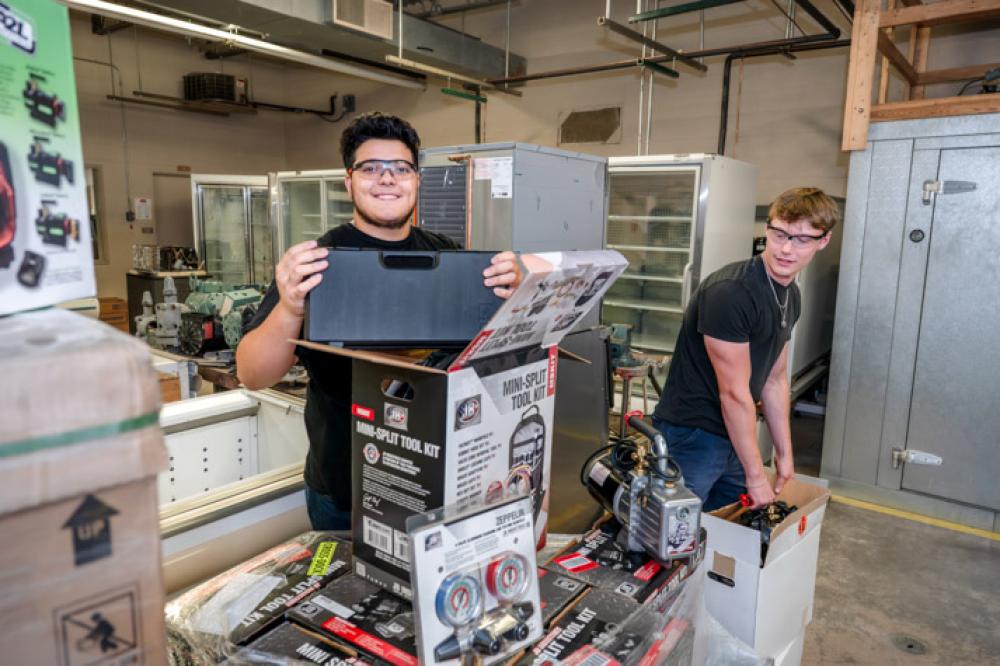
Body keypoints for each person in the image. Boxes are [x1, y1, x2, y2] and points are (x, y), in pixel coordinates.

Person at [237, 112, 521, 529]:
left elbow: (490, 351)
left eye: (400, 168)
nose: (387, 179)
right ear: (349, 181)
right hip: (346, 489)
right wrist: (292, 306)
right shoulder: (317, 262)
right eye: (371, 168)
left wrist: (516, 292)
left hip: (435, 479)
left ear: (417, 180)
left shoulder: (449, 257)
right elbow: (252, 373)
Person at [652, 187, 838, 510]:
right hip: (693, 435)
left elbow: (775, 378)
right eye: (778, 234)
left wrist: (784, 454)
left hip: (735, 432)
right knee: (671, 534)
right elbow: (735, 393)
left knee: (728, 526)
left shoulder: (790, 296)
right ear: (767, 228)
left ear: (824, 240)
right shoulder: (732, 293)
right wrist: (755, 474)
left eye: (802, 239)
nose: (785, 249)